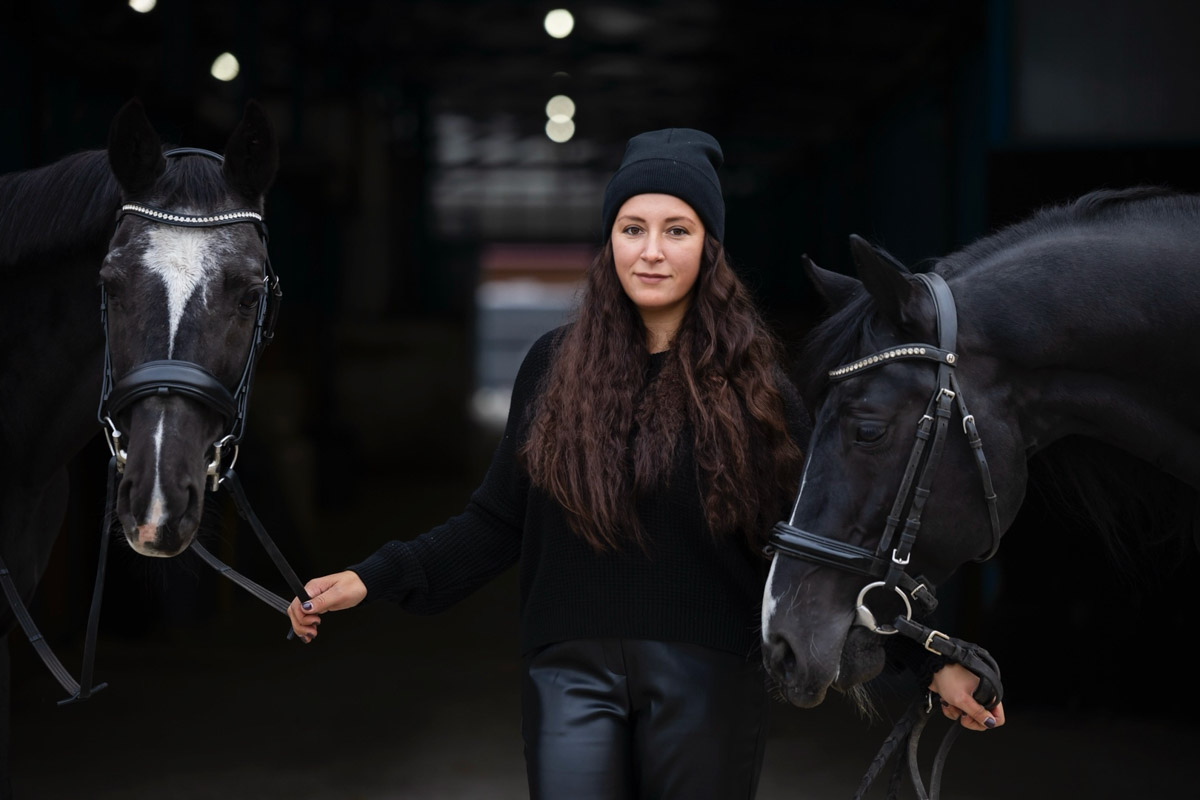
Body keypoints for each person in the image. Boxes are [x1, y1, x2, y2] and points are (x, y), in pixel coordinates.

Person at [288, 128, 1001, 798]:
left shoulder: (756, 390)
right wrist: (371, 577)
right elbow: (496, 522)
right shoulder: (550, 369)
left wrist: (927, 658)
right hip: (568, 672)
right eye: (633, 229)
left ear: (709, 248)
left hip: (708, 676)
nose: (651, 252)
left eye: (676, 230)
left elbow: (822, 541)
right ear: (610, 242)